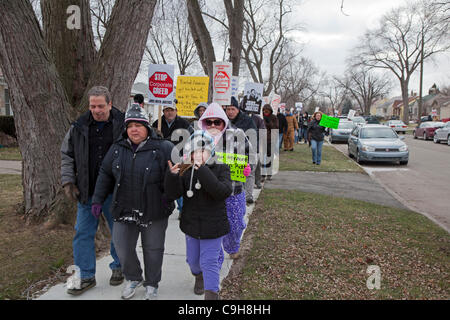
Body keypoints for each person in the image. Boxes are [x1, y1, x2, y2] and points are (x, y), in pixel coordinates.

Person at [92, 103, 175, 300]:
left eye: (138, 125)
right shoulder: (117, 148)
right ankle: (133, 277)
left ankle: (152, 284)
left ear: (147, 127)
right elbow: (105, 173)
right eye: (130, 126)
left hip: (154, 209)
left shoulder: (164, 148)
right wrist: (97, 199)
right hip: (124, 207)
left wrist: (169, 196)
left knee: (153, 249)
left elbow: (177, 179)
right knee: (121, 246)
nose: (134, 129)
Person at [61, 86, 124, 295]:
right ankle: (86, 275)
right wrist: (69, 181)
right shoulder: (78, 126)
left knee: (119, 232)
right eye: (92, 106)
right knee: (82, 232)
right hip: (87, 191)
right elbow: (67, 155)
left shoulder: (123, 124)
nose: (96, 110)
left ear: (110, 104)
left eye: (100, 106)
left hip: (115, 191)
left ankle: (119, 266)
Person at [164, 131, 233, 300]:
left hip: (214, 226)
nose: (199, 154)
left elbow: (221, 192)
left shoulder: (221, 168)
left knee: (209, 262)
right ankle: (198, 276)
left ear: (211, 152)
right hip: (192, 225)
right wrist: (172, 176)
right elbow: (173, 194)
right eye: (195, 151)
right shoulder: (186, 170)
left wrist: (202, 170)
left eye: (203, 150)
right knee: (193, 262)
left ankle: (211, 294)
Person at [199, 102, 253, 260]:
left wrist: (248, 167)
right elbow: (189, 158)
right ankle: (215, 259)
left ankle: (233, 245)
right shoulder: (199, 137)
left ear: (224, 121)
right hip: (209, 192)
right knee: (213, 229)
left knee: (235, 225)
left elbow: (251, 155)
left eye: (217, 121)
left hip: (234, 189)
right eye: (209, 122)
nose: (213, 125)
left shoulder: (238, 134)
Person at [152, 104, 193, 215]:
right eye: (166, 110)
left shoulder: (184, 124)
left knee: (177, 182)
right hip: (161, 157)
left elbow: (190, 139)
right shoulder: (157, 123)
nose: (169, 112)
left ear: (176, 111)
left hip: (178, 157)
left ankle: (182, 209)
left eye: (171, 110)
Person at [225, 96, 257, 205]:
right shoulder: (222, 121)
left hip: (245, 154)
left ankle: (248, 196)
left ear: (238, 110)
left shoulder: (247, 121)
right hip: (229, 157)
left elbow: (253, 137)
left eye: (232, 109)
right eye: (228, 109)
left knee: (248, 175)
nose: (230, 112)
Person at [261, 104, 279, 182]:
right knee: (261, 158)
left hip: (271, 140)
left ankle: (269, 173)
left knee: (269, 157)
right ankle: (262, 175)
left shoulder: (274, 117)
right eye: (264, 111)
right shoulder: (261, 117)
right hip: (262, 140)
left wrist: (269, 123)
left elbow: (275, 127)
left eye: (267, 111)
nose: (266, 112)